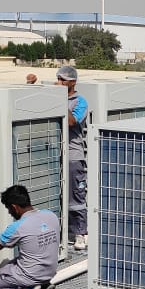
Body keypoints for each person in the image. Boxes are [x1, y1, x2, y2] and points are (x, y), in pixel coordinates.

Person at [57, 65, 90, 251]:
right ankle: (65, 230)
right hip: (56, 153)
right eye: (58, 79)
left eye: (63, 80)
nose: (59, 82)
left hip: (73, 155)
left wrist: (59, 98)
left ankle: (81, 233)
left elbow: (71, 122)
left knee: (76, 194)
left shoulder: (80, 102)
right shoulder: (56, 96)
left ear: (73, 82)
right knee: (60, 194)